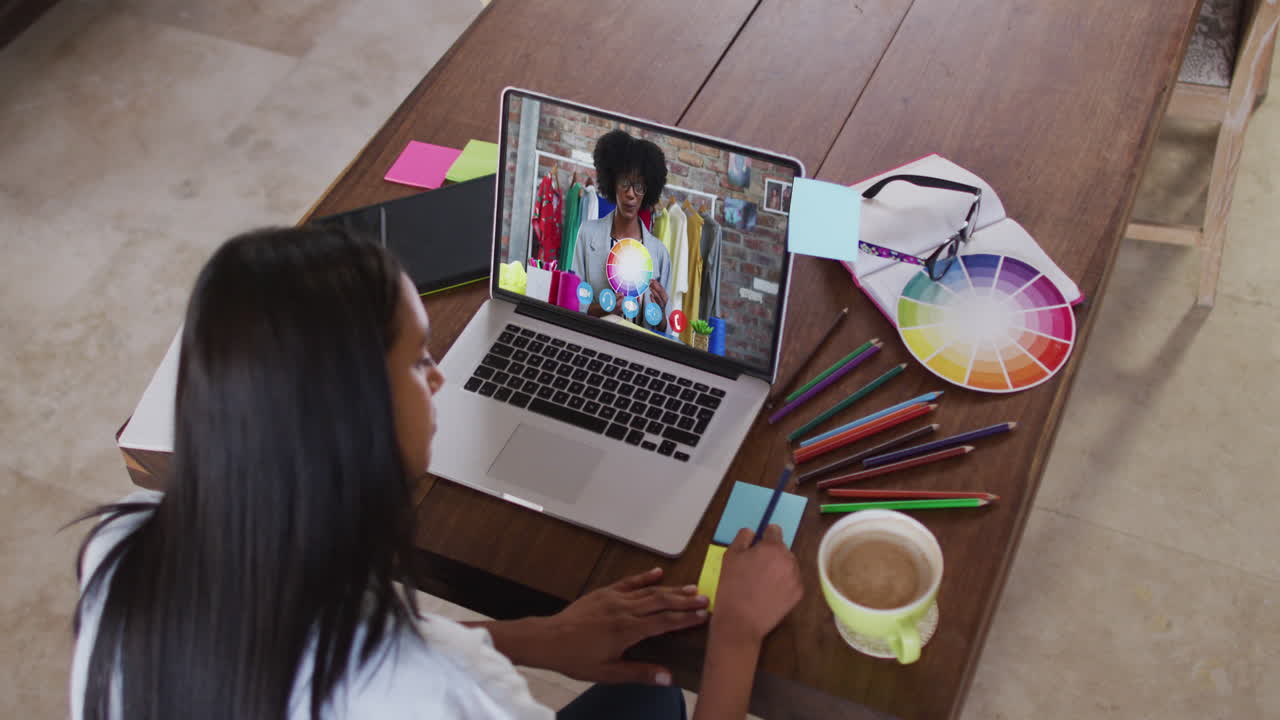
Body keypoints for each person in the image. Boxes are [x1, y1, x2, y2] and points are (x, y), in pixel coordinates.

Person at [71, 226, 803, 720]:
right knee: (661, 696)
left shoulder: (123, 553)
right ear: (359, 420)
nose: (441, 380)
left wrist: (534, 638)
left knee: (645, 699)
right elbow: (412, 675)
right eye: (420, 360)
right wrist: (735, 634)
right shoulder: (441, 695)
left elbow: (323, 646)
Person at [571, 129, 673, 333]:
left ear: (648, 191)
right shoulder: (587, 234)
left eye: (639, 187)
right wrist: (604, 310)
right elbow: (573, 307)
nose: (630, 194)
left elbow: (666, 329)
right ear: (612, 183)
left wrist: (661, 313)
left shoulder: (659, 253)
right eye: (624, 183)